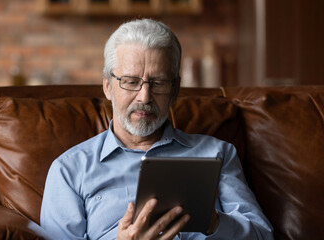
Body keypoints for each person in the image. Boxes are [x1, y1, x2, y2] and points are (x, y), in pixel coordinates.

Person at [40, 18, 274, 240]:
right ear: (108, 87)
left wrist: (214, 223)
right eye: (131, 82)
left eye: (158, 83)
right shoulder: (69, 170)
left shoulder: (218, 154)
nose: (145, 96)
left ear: (174, 90)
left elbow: (263, 236)